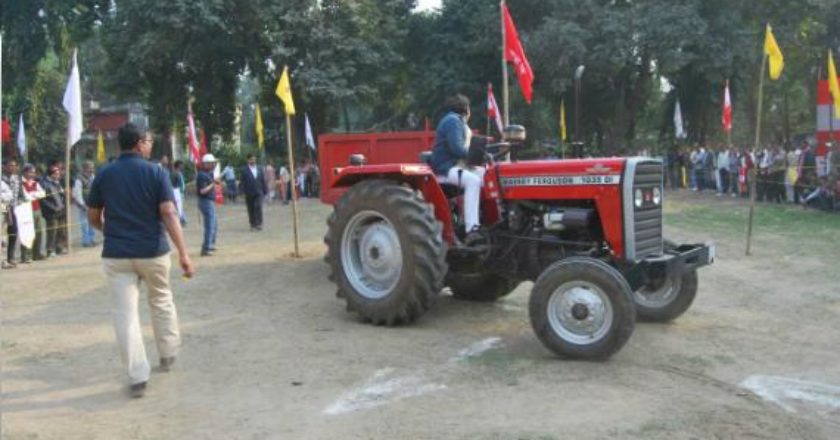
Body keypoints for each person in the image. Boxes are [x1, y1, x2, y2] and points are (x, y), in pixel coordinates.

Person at [86, 123, 194, 398]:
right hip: (153, 251)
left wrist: (108, 231)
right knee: (161, 300)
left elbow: (93, 216)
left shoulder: (105, 174)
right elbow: (169, 213)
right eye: (147, 141)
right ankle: (168, 353)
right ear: (139, 143)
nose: (149, 145)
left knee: (125, 314)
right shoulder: (156, 172)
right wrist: (183, 252)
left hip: (117, 254)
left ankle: (137, 377)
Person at [429, 94, 486, 242]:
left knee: (487, 175)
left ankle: (487, 220)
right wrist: (479, 155)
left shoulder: (456, 121)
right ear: (466, 109)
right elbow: (457, 149)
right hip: (445, 169)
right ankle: (472, 228)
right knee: (473, 181)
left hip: (454, 166)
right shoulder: (453, 121)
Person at [20, 164, 46, 263]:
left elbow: (42, 193)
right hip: (25, 210)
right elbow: (26, 197)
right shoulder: (20, 183)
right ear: (25, 172)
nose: (33, 174)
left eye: (34, 172)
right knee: (27, 233)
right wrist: (35, 195)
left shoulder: (35, 183)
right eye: (31, 172)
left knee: (39, 232)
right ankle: (26, 255)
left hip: (36, 209)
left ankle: (37, 253)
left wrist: (33, 195)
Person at [196, 154, 220, 255]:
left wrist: (214, 182)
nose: (214, 164)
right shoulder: (201, 175)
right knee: (209, 225)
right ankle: (206, 248)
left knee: (214, 224)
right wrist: (213, 184)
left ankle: (210, 244)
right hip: (205, 201)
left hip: (210, 201)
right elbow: (202, 191)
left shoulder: (209, 173)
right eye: (212, 163)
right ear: (206, 164)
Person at [40, 165, 66, 257]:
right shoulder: (44, 184)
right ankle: (50, 250)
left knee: (61, 230)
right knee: (52, 231)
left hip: (60, 210)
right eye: (56, 173)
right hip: (51, 212)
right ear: (51, 174)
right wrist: (53, 208)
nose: (58, 175)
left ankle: (59, 248)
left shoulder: (57, 183)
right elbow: (43, 200)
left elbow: (61, 195)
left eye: (59, 173)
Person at [2, 159, 22, 266]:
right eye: (10, 165)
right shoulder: (2, 179)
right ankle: (3, 259)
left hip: (14, 208)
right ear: (4, 166)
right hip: (3, 208)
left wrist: (20, 200)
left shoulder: (17, 179)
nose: (12, 167)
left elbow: (20, 193)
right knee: (3, 234)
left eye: (14, 165)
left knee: (13, 232)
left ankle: (11, 257)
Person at [73, 161, 97, 247]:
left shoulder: (93, 177)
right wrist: (83, 205)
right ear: (84, 169)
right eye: (89, 168)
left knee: (92, 223)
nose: (91, 170)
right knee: (84, 223)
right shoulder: (79, 180)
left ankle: (92, 239)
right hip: (84, 205)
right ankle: (86, 241)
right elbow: (77, 194)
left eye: (92, 168)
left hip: (92, 204)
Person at [240, 154, 267, 231]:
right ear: (248, 160)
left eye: (254, 159)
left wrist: (265, 190)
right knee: (251, 208)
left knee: (258, 206)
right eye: (251, 159)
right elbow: (242, 182)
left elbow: (262, 180)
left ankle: (259, 223)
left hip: (259, 191)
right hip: (249, 192)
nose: (253, 161)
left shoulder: (259, 169)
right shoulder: (244, 170)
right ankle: (253, 224)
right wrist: (242, 191)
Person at [170, 160, 188, 226]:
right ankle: (182, 220)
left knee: (180, 207)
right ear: (178, 166)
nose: (183, 167)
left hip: (181, 193)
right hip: (177, 193)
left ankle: (182, 219)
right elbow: (172, 184)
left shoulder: (180, 174)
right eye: (181, 165)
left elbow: (182, 184)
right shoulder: (174, 174)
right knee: (178, 207)